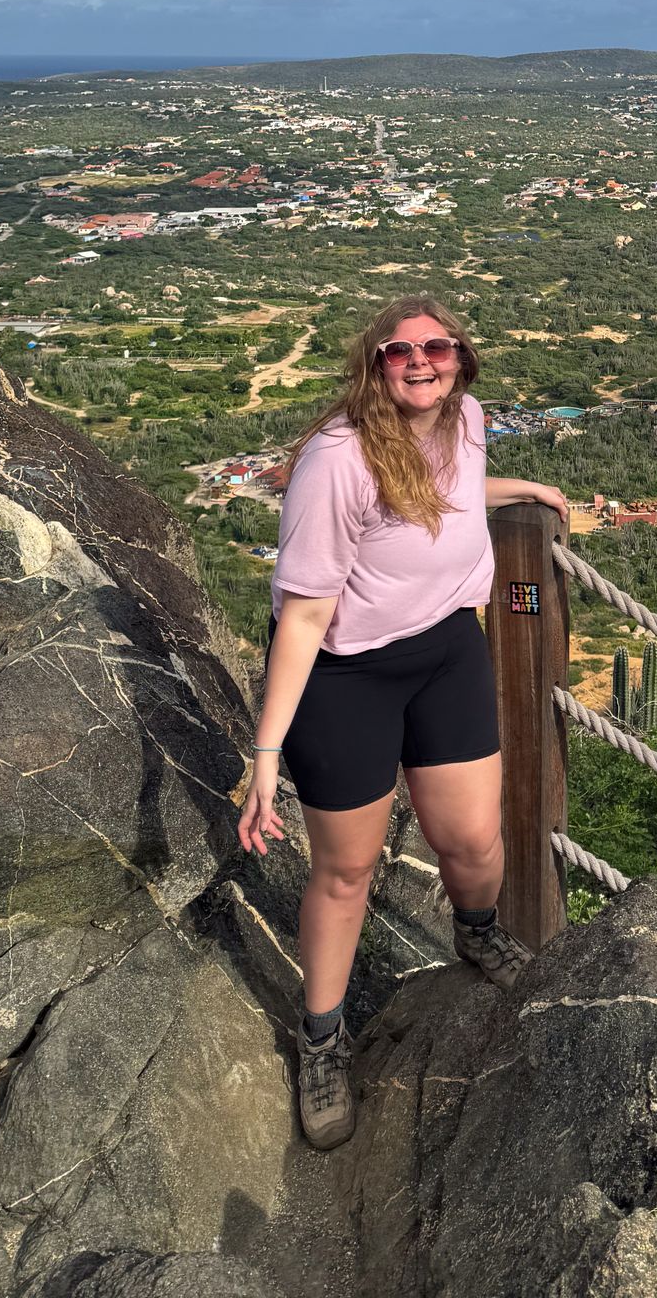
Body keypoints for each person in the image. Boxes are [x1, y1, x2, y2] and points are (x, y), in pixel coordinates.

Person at [237, 293, 566, 1150]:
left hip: (447, 649)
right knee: (346, 870)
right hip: (346, 674)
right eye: (399, 351)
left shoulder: (468, 420)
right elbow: (304, 616)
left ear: (462, 357)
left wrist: (521, 487)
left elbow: (450, 497)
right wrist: (266, 752)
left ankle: (479, 936)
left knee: (474, 841)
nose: (421, 361)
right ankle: (322, 1039)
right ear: (374, 363)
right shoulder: (337, 462)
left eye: (439, 347)